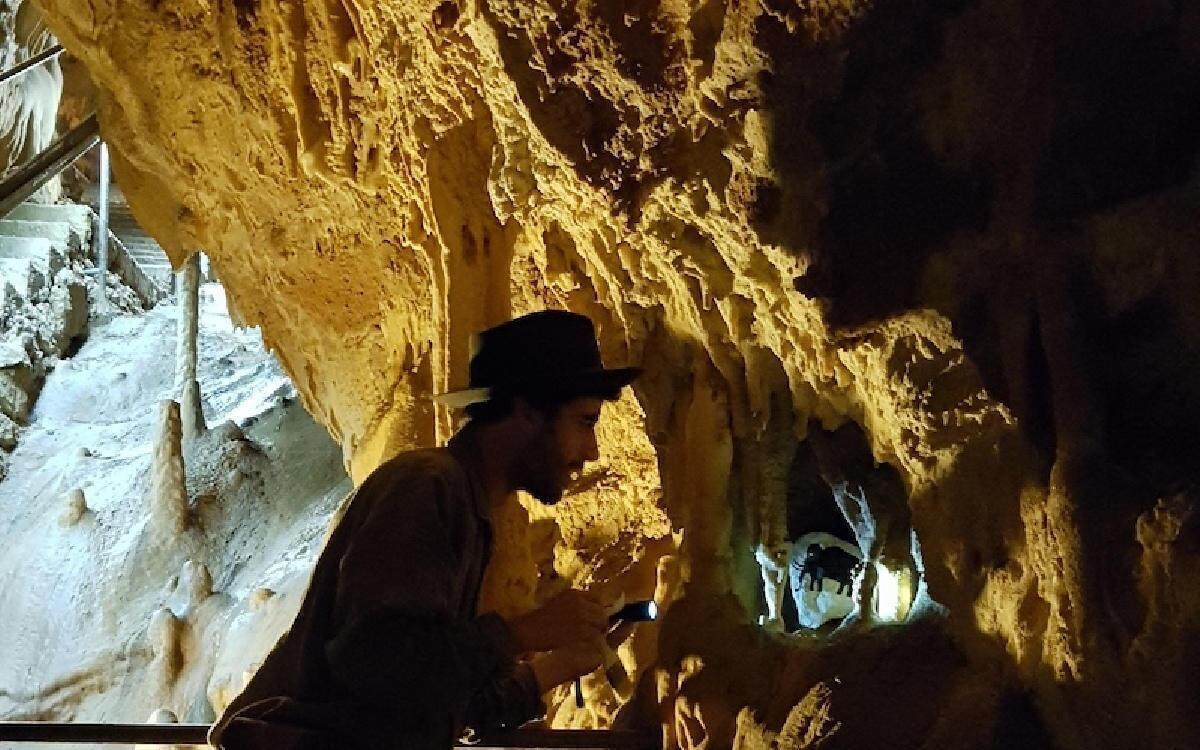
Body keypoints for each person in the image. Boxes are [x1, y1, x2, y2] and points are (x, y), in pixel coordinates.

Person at [209, 310, 642, 749]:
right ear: (527, 410)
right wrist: (523, 633)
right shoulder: (427, 488)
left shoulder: (468, 507)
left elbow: (431, 701)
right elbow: (376, 663)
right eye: (585, 422)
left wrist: (561, 663)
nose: (592, 450)